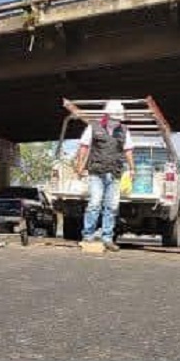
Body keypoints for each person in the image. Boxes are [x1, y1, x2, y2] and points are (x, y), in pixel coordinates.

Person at [63, 99, 135, 251]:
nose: (116, 121)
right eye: (114, 118)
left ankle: (107, 238)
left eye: (118, 119)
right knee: (94, 204)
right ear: (107, 115)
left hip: (115, 173)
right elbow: (84, 146)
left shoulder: (124, 130)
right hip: (97, 172)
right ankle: (88, 236)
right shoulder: (93, 127)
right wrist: (80, 165)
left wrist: (132, 168)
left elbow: (128, 150)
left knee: (112, 207)